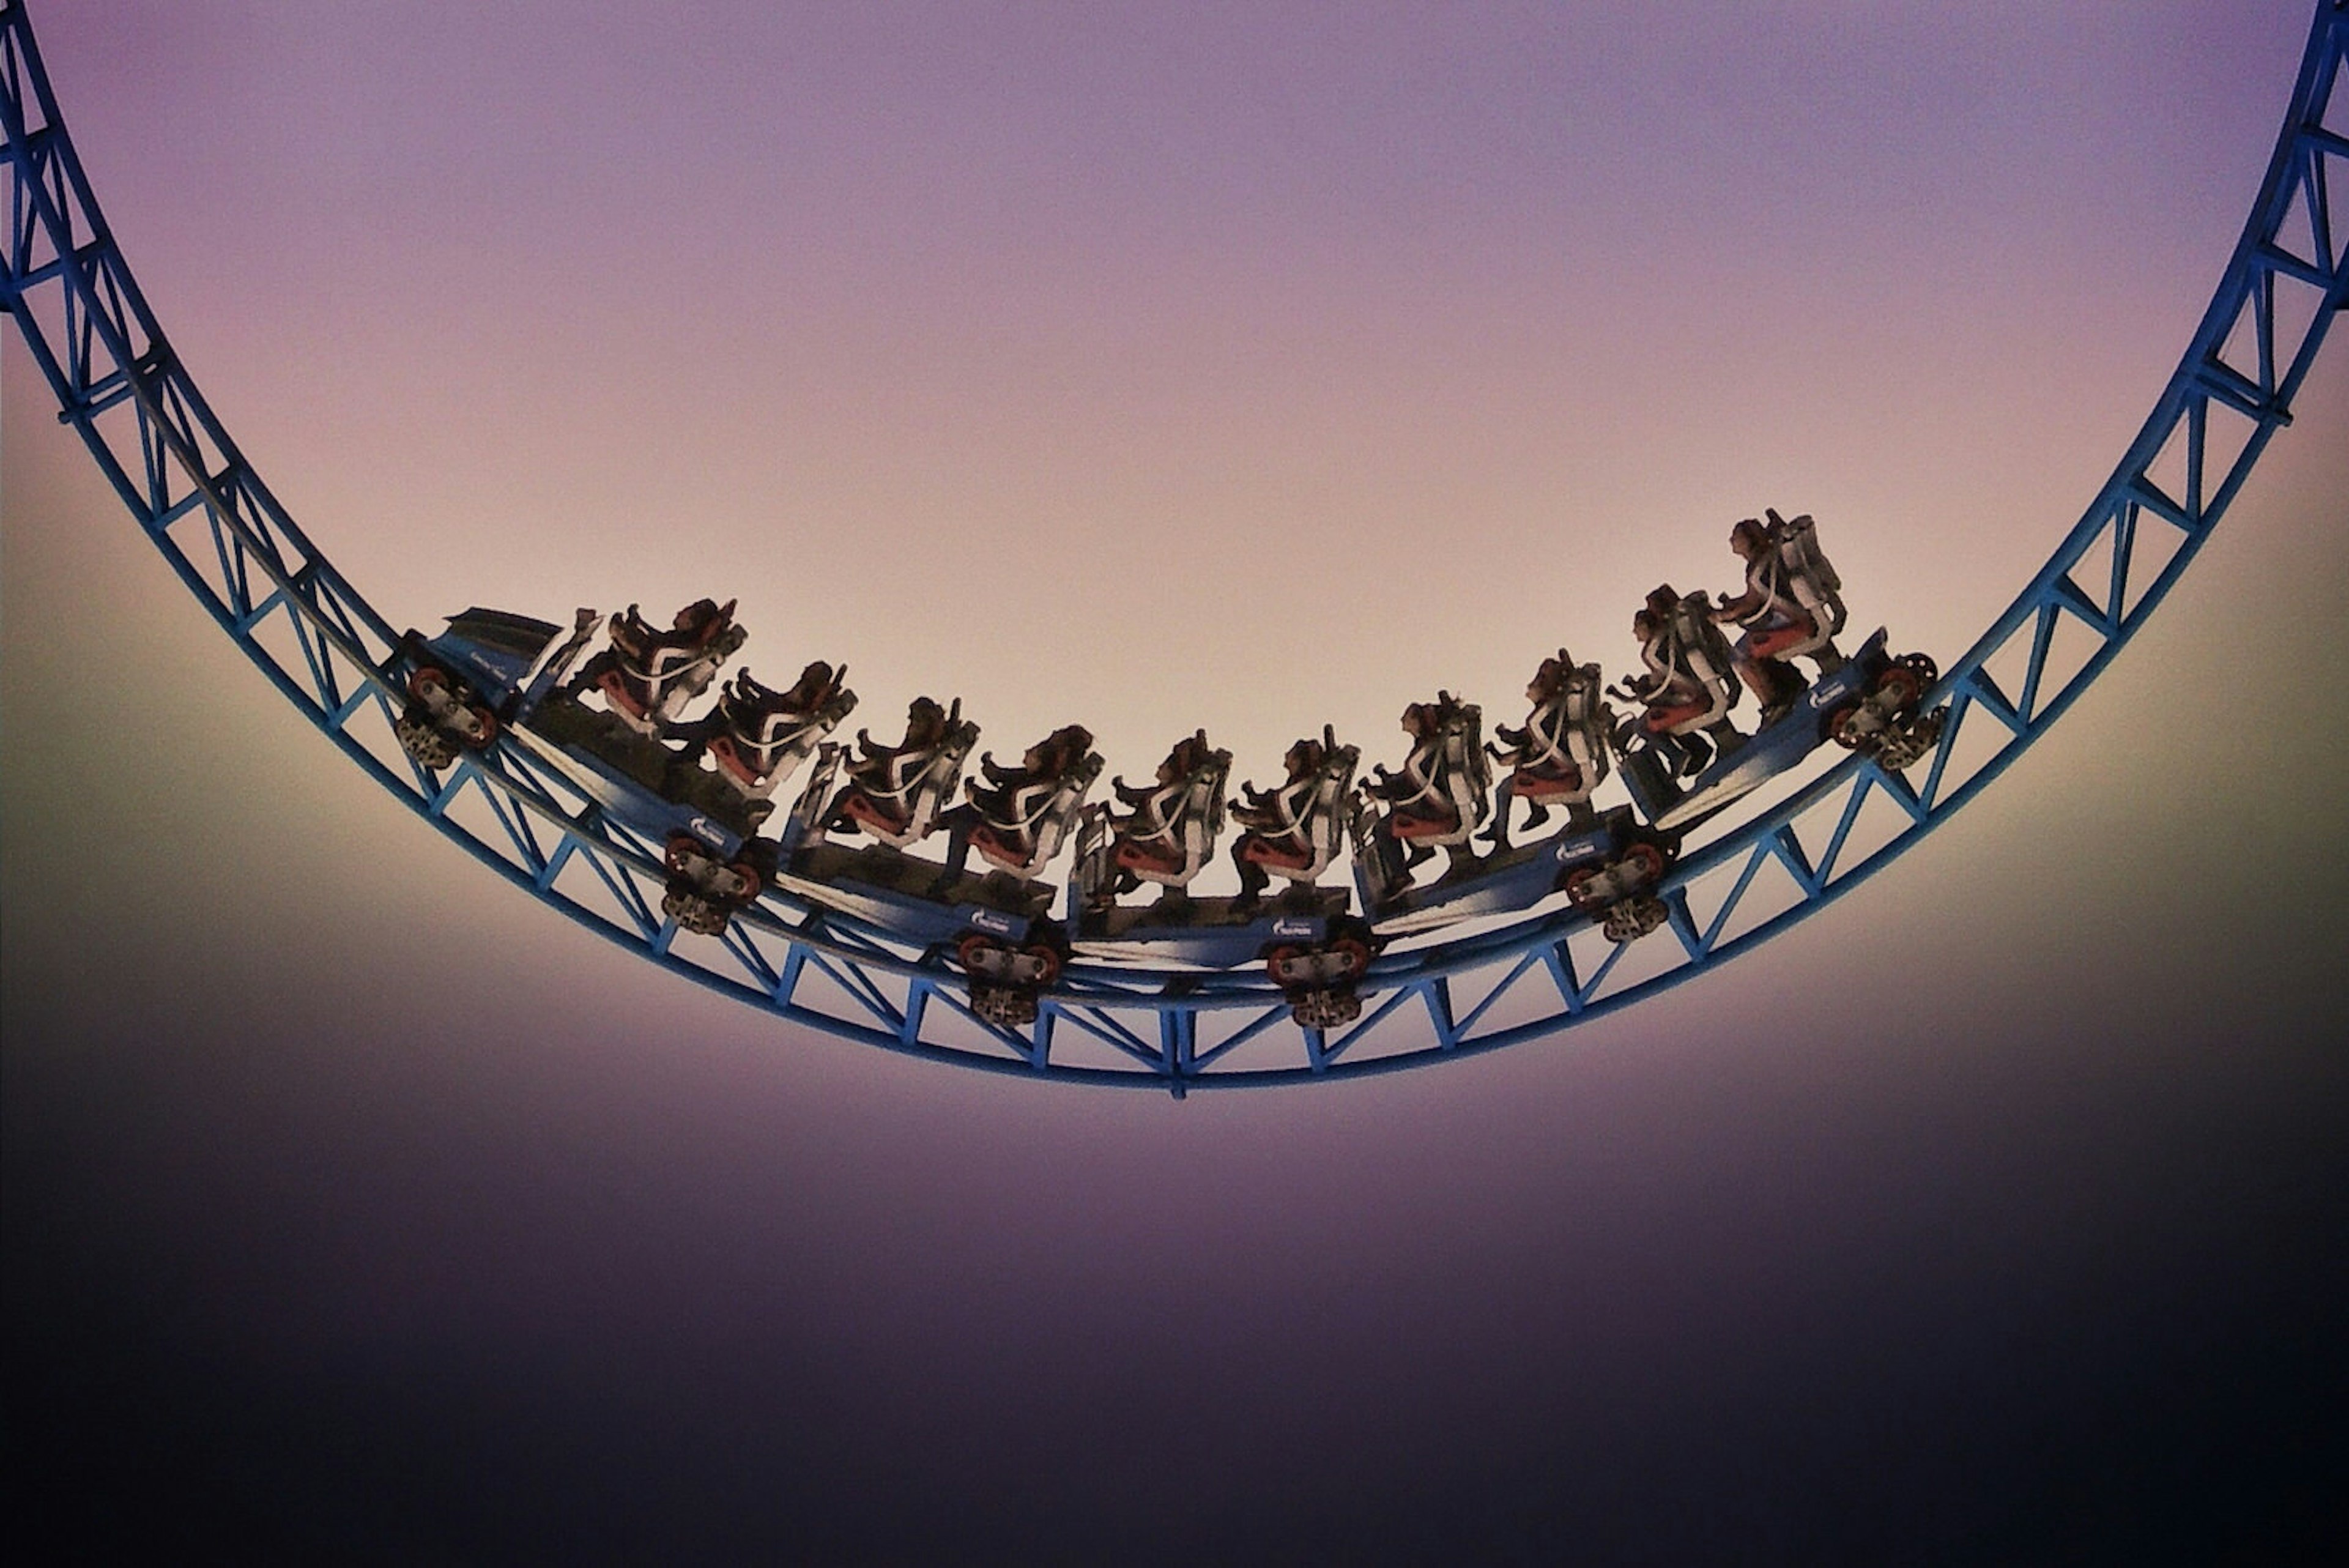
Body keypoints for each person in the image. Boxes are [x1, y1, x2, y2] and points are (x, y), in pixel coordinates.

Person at [1712, 512, 1846, 719]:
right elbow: (1758, 595)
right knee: (1754, 643)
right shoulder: (1768, 558)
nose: (1732, 541)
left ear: (1748, 540)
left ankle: (1774, 706)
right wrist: (1733, 606)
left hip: (1795, 620)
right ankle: (1792, 687)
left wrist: (1720, 616)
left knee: (1740, 655)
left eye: (1736, 536)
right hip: (1800, 612)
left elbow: (1751, 603)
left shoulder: (1758, 567)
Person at [1481, 650, 1612, 851]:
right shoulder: (1554, 710)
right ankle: (1534, 814)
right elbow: (1527, 737)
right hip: (1562, 764)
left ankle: (1501, 838)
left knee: (1505, 788)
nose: (1529, 688)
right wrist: (1506, 736)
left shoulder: (1544, 715)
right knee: (1522, 772)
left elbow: (1528, 738)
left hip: (1559, 769)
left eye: (1535, 683)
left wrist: (1509, 740)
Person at [1229, 729, 1356, 910]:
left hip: (1296, 843)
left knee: (1241, 847)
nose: (1285, 758)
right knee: (1250, 837)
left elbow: (1280, 816)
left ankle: (1250, 896)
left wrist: (1247, 817)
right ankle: (1260, 882)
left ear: (1297, 760)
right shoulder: (1306, 781)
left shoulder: (1298, 788)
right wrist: (1253, 798)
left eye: (1290, 754)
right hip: (1303, 836)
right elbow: (1276, 799)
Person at [1100, 730, 1229, 900]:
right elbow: (1138, 800)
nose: (1158, 769)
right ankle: (1130, 880)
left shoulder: (1166, 797)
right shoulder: (1180, 792)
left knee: (1117, 850)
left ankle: (1105, 895)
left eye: (1163, 766)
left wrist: (1118, 821)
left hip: (1167, 847)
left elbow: (1147, 818)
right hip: (1175, 843)